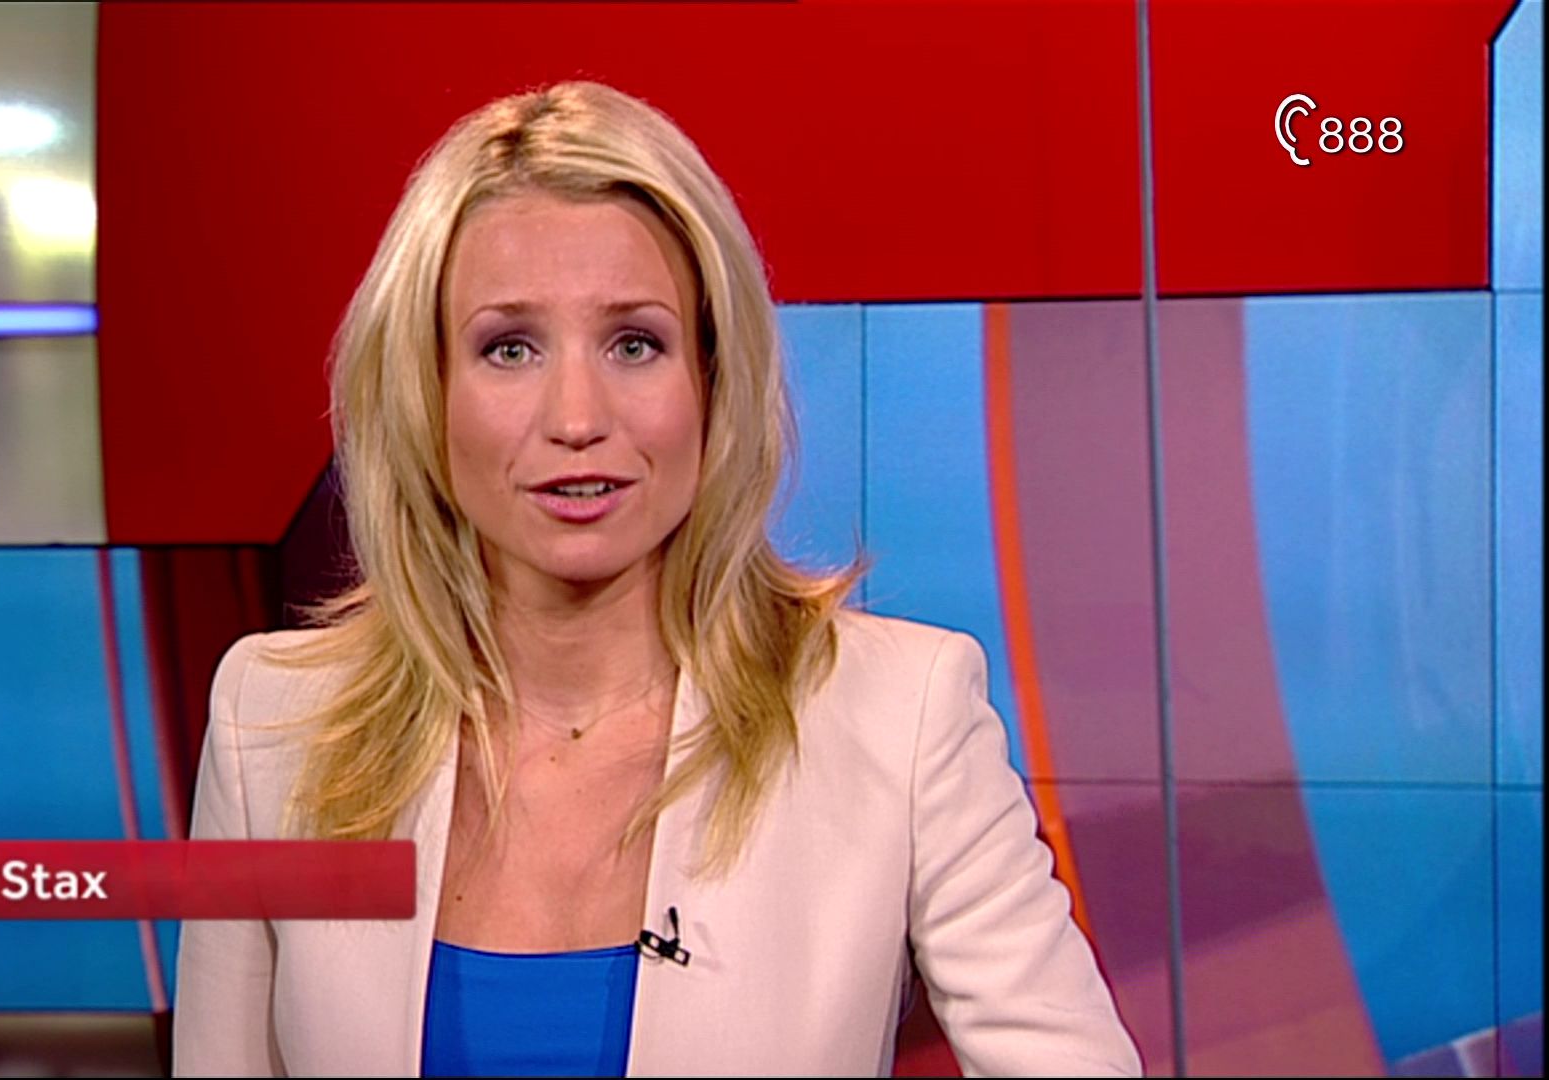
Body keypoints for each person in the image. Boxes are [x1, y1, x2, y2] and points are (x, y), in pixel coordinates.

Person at [172, 80, 1142, 1078]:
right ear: (426, 392)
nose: (577, 418)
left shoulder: (900, 714)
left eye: (635, 343)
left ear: (712, 381)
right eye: (509, 348)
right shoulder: (275, 727)